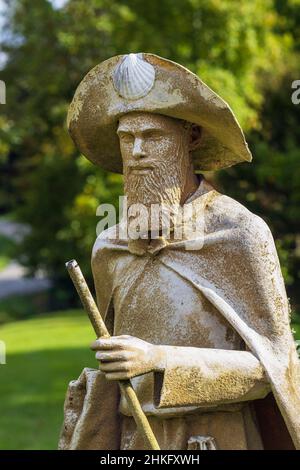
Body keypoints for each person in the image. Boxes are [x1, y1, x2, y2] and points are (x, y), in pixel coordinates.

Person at [59, 53, 300, 450]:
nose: (136, 151)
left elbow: (274, 370)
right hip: (133, 442)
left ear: (190, 138)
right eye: (126, 137)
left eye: (152, 136)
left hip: (221, 439)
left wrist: (159, 360)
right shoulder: (110, 249)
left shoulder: (239, 235)